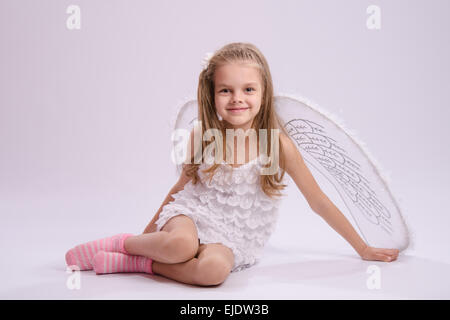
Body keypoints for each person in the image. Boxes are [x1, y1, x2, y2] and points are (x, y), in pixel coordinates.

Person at [65, 42, 399, 287]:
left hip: (234, 237)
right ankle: (125, 243)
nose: (237, 98)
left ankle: (137, 263)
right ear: (212, 95)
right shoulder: (204, 135)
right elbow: (180, 186)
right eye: (226, 90)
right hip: (192, 216)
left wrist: (363, 247)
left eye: (248, 89)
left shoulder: (277, 144)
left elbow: (319, 202)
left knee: (212, 273)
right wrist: (148, 231)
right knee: (180, 245)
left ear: (264, 93)